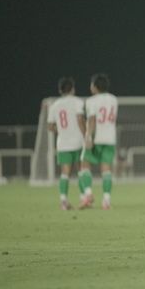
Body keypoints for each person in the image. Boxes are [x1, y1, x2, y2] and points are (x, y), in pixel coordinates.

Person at [78, 73, 118, 210]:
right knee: (106, 169)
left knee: (84, 163)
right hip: (110, 138)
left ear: (94, 86)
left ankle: (88, 194)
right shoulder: (114, 99)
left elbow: (92, 120)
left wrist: (88, 136)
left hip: (97, 137)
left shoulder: (91, 101)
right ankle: (106, 200)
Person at [47, 77, 85, 211]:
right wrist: (86, 135)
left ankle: (63, 200)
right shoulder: (78, 102)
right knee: (81, 171)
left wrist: (61, 130)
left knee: (65, 173)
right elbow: (80, 119)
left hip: (63, 143)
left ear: (60, 90)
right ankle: (83, 198)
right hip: (78, 142)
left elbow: (50, 126)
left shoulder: (54, 105)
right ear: (73, 89)